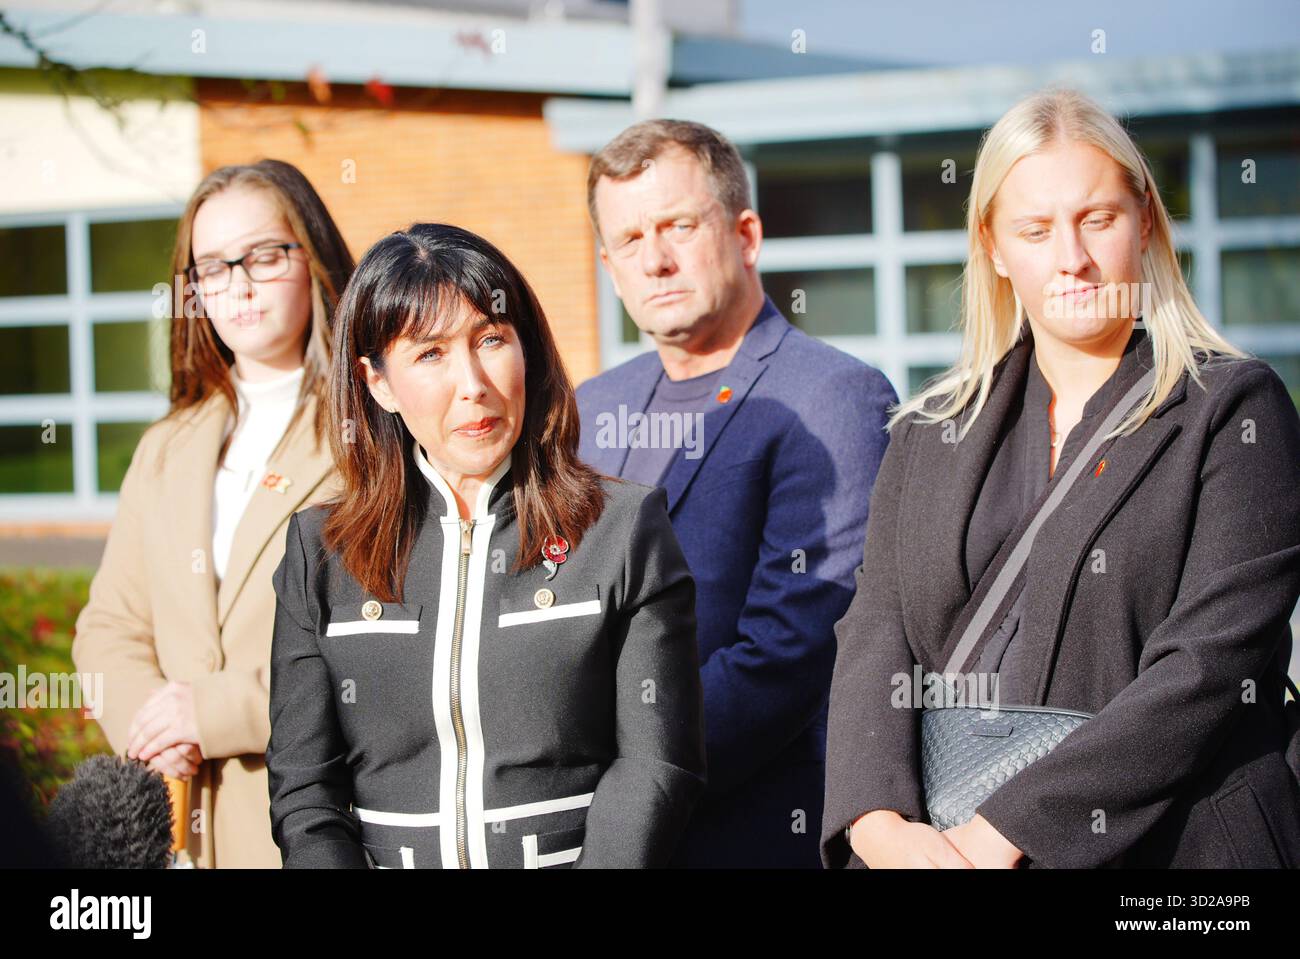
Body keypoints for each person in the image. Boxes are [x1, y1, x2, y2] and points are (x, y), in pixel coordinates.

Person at [823, 88, 1300, 869]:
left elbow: (1210, 666)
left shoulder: (1235, 413)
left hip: (1182, 857)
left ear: (1144, 221)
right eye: (1036, 230)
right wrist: (878, 823)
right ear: (995, 247)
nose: (1072, 258)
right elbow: (876, 634)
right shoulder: (926, 431)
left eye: (1098, 219)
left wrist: (997, 834)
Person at [266, 223, 706, 868]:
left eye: (491, 339)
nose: (473, 382)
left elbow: (655, 765)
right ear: (378, 383)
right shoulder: (321, 551)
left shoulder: (622, 528)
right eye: (430, 354)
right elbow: (306, 794)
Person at [577, 119, 898, 867]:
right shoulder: (589, 409)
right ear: (608, 264)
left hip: (751, 835)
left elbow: (788, 654)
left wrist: (620, 783)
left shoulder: (835, 397)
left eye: (678, 226)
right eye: (628, 241)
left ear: (746, 234)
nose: (654, 260)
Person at [72, 159, 354, 867]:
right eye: (212, 266)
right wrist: (157, 721)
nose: (238, 283)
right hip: (178, 832)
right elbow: (110, 626)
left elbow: (394, 643)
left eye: (263, 254)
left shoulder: (372, 430)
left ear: (312, 255)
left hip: (316, 830)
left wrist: (220, 709)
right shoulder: (168, 446)